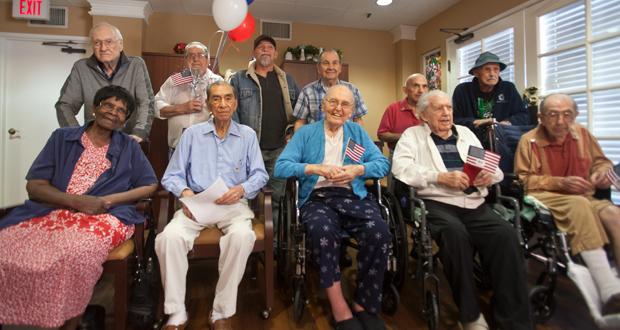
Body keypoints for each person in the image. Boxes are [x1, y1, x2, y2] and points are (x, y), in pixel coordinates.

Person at [0, 85, 158, 328]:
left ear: (125, 119)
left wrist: (106, 201)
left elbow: (149, 184)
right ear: (95, 107)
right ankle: (19, 315)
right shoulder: (62, 138)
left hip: (105, 216)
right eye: (108, 105)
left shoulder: (128, 146)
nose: (113, 113)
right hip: (54, 211)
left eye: (121, 111)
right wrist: (75, 201)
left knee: (72, 254)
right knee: (7, 246)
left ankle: (68, 320)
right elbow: (35, 186)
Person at [392, 90, 531, 330]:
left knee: (505, 236)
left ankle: (514, 319)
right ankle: (470, 315)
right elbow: (401, 168)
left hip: (475, 203)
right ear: (424, 114)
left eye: (449, 108)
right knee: (455, 235)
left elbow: (493, 169)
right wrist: (440, 177)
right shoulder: (412, 136)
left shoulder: (465, 133)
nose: (446, 113)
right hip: (437, 204)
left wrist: (489, 176)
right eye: (438, 108)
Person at [275, 85, 391, 330]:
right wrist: (315, 168)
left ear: (351, 111)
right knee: (322, 231)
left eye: (345, 104)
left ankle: (364, 304)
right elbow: (281, 166)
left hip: (351, 196)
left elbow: (382, 164)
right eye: (333, 102)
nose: (338, 108)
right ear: (323, 105)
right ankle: (340, 309)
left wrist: (358, 170)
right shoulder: (305, 133)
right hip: (317, 197)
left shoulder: (357, 133)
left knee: (379, 231)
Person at [155, 81, 268, 330]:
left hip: (233, 205)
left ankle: (221, 312)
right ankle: (176, 313)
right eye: (216, 99)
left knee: (242, 237)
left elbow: (260, 175)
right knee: (167, 239)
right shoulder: (192, 135)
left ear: (235, 103)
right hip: (197, 204)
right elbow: (171, 175)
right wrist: (185, 193)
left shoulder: (247, 135)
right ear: (208, 104)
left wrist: (242, 189)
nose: (223, 104)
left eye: (228, 98)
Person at [515, 93, 620, 315]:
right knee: (578, 206)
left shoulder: (582, 135)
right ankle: (608, 288)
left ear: (575, 116)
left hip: (583, 196)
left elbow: (601, 162)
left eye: (567, 114)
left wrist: (601, 173)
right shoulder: (529, 141)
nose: (560, 121)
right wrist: (560, 182)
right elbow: (523, 180)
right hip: (544, 195)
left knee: (613, 214)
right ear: (541, 117)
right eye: (553, 115)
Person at [230, 34, 299, 226]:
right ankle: (249, 241)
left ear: (275, 54)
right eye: (261, 47)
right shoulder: (239, 79)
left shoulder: (288, 80)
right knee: (248, 197)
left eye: (270, 47)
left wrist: (292, 132)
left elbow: (300, 112)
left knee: (275, 199)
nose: (265, 50)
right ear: (254, 52)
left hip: (280, 150)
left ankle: (272, 245)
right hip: (249, 151)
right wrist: (238, 141)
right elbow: (231, 112)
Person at [56, 22, 155, 142]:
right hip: (93, 142)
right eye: (97, 43)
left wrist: (140, 132)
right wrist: (75, 134)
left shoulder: (136, 65)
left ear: (120, 44)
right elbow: (65, 105)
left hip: (128, 140)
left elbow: (146, 101)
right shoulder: (81, 68)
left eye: (109, 42)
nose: (103, 48)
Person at [154, 41, 223, 152]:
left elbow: (225, 114)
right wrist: (181, 108)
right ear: (185, 61)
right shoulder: (175, 81)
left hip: (207, 149)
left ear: (208, 60)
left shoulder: (218, 82)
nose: (195, 59)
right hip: (177, 148)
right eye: (191, 56)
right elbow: (155, 107)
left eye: (200, 55)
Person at [293, 49, 368, 131]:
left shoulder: (353, 90)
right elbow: (300, 122)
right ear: (318, 68)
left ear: (340, 67)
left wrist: (358, 142)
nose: (331, 67)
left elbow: (358, 120)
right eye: (326, 63)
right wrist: (299, 142)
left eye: (335, 63)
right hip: (316, 142)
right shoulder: (307, 91)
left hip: (346, 141)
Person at [377, 73, 428, 156]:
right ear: (405, 90)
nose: (421, 90)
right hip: (399, 154)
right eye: (416, 86)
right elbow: (382, 135)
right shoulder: (393, 109)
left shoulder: (432, 109)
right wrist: (407, 136)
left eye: (424, 86)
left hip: (427, 155)